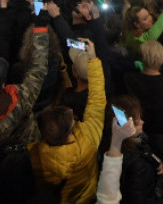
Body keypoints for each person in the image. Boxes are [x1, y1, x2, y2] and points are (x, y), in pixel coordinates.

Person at [28, 38, 106, 204]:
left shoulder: (37, 155)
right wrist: (93, 59)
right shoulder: (88, 139)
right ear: (71, 130)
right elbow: (97, 101)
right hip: (88, 196)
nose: (71, 111)